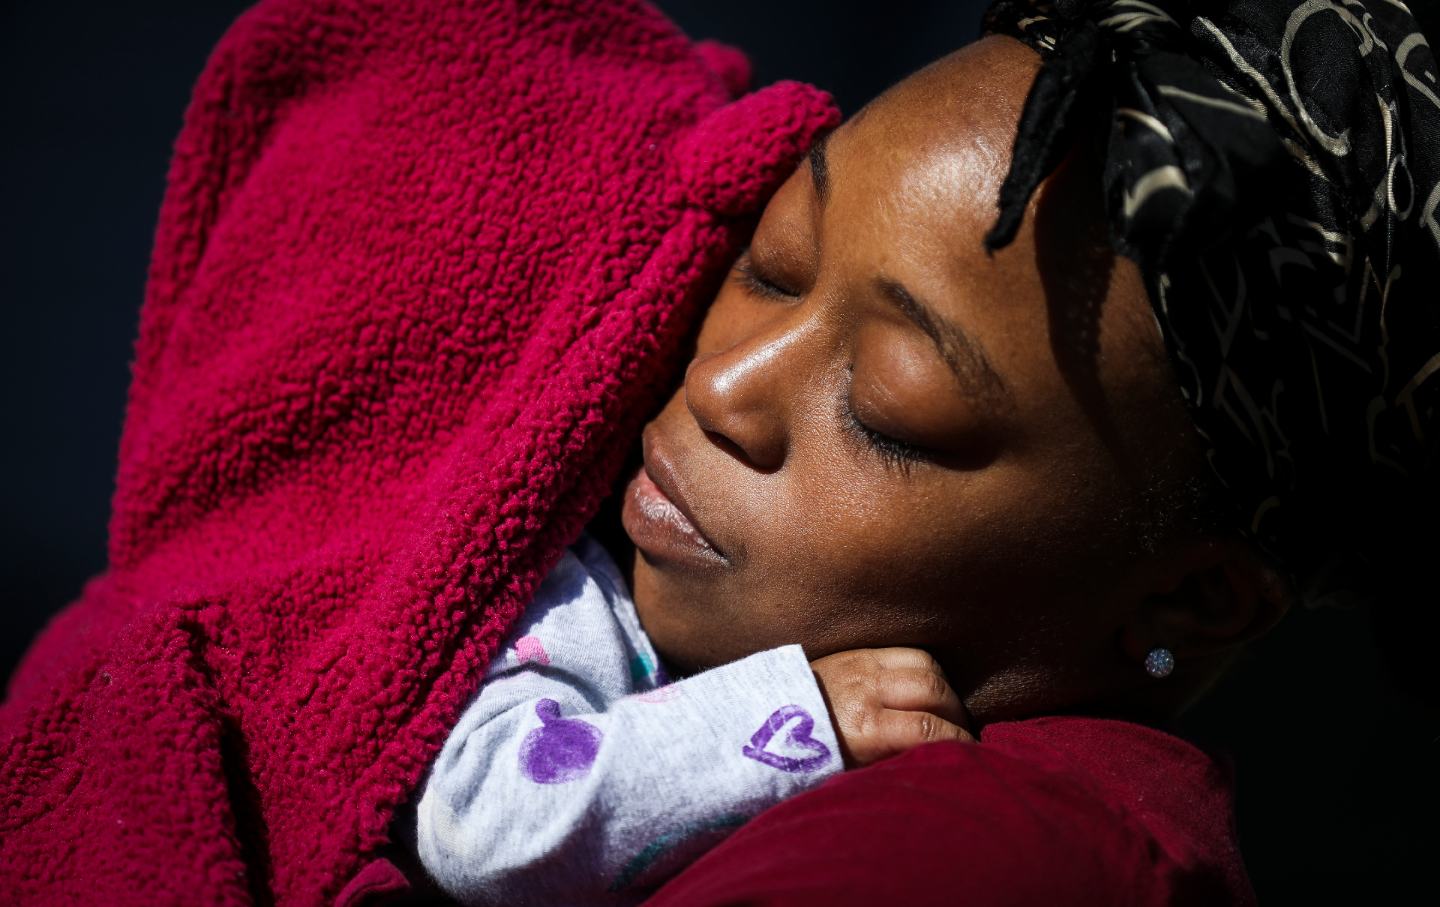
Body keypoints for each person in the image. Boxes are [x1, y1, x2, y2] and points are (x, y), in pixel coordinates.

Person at [395, 0, 1438, 903]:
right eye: (771, 264)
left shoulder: (961, 860)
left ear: (1193, 600)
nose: (720, 387)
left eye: (887, 411)